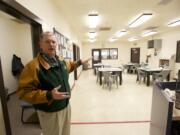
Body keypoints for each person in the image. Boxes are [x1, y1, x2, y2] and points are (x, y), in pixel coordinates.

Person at [17, 31, 91, 135]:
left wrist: (79, 62)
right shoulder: (33, 66)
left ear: (56, 44)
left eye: (53, 42)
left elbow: (69, 66)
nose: (51, 44)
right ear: (40, 44)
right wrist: (49, 95)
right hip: (50, 112)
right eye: (47, 42)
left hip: (66, 107)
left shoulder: (61, 61)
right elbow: (23, 92)